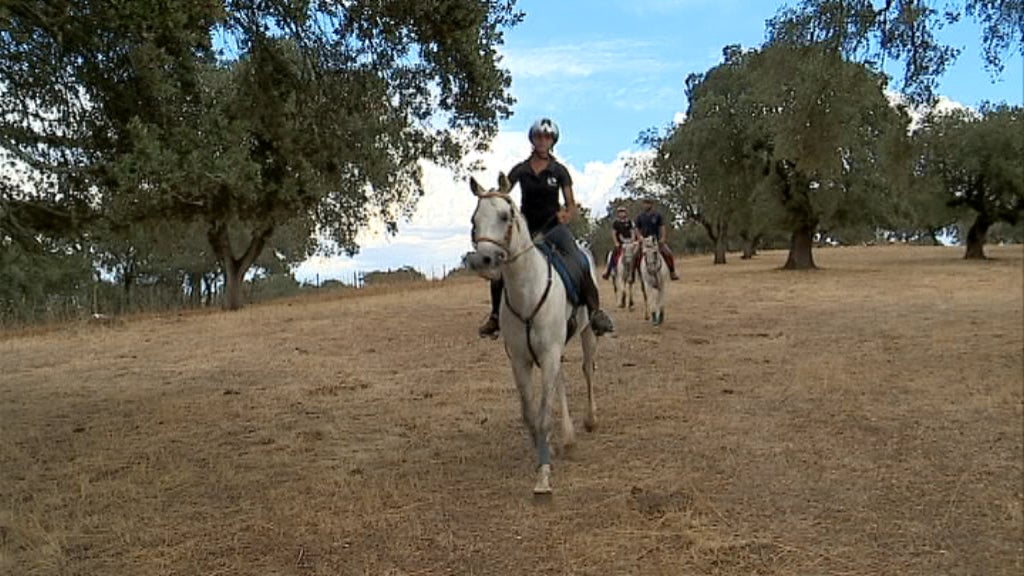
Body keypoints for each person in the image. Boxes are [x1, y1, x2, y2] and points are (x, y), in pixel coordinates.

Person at [478, 118, 615, 338]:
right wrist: (490, 198)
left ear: (553, 141)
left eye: (547, 137)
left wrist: (567, 214)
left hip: (553, 227)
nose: (543, 141)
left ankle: (595, 312)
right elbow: (504, 193)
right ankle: (496, 316)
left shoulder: (559, 171)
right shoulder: (520, 170)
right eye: (539, 136)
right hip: (527, 231)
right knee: (502, 269)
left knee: (579, 260)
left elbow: (571, 204)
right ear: (532, 139)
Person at [634, 197, 680, 281]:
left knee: (668, 253)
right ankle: (634, 274)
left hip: (656, 240)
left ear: (651, 204)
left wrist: (663, 238)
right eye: (644, 203)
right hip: (644, 241)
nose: (646, 205)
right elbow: (637, 228)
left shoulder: (657, 215)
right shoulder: (640, 217)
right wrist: (639, 237)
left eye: (648, 203)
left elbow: (662, 227)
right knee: (634, 255)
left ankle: (672, 272)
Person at [602, 205, 638, 280]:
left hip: (629, 243)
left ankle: (636, 272)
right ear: (618, 214)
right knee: (613, 255)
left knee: (636, 255)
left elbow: (633, 232)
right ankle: (609, 271)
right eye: (620, 212)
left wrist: (633, 240)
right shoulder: (616, 223)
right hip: (620, 244)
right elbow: (614, 233)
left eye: (623, 212)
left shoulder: (630, 222)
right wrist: (616, 243)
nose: (622, 214)